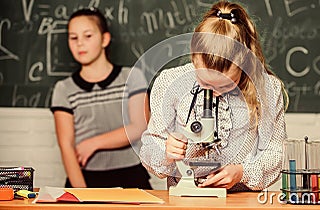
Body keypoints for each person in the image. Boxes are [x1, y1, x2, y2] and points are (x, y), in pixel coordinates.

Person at [140, 1, 288, 191]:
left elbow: (276, 153)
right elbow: (149, 151)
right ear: (194, 57)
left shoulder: (267, 88)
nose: (215, 92)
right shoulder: (169, 82)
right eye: (206, 83)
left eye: (226, 85)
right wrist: (167, 152)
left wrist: (242, 172)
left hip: (242, 201)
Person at [50, 8, 152, 189]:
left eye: (87, 36)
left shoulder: (132, 77)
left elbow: (139, 126)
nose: (80, 43)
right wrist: (82, 195)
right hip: (85, 180)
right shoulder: (64, 89)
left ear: (104, 39)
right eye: (73, 38)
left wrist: (93, 143)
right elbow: (66, 146)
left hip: (131, 178)